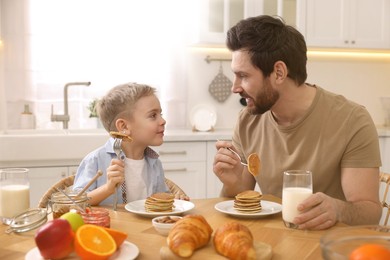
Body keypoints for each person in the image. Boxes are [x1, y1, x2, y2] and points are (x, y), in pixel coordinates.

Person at [213, 15, 382, 230]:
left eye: (243, 76)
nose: (234, 87)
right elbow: (242, 203)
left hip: (329, 246)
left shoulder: (352, 120)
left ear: (279, 72)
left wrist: (337, 209)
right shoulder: (248, 121)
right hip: (273, 240)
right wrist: (232, 184)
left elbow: (370, 213)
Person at [74, 82, 189, 205]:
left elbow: (160, 200)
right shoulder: (95, 160)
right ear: (123, 126)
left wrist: (174, 199)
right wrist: (107, 189)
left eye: (160, 114)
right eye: (153, 115)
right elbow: (75, 203)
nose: (163, 121)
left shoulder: (154, 163)